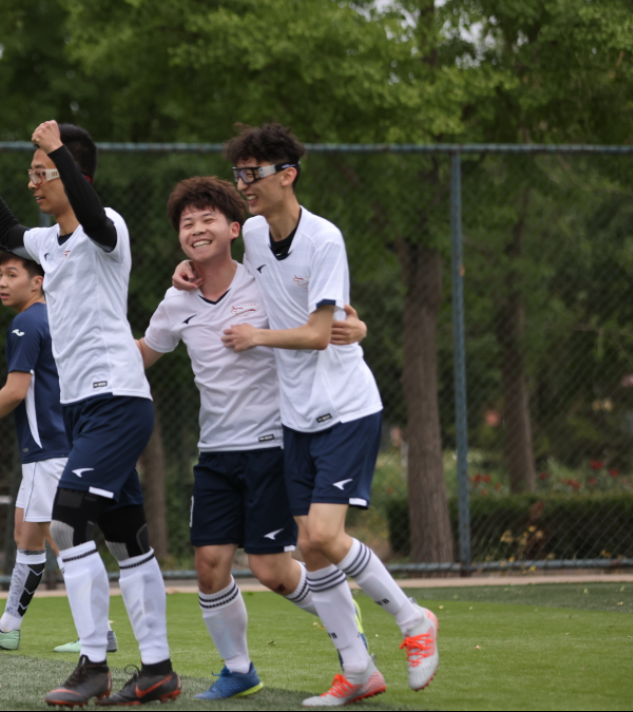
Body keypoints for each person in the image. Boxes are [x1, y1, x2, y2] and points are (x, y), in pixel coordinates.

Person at [174, 123, 439, 707]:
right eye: (239, 173)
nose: (244, 183)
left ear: (287, 175)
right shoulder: (256, 236)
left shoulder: (324, 238)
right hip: (295, 419)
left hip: (344, 408)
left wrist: (260, 337)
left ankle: (414, 619)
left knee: (322, 536)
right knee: (312, 549)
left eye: (253, 173)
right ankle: (357, 670)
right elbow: (322, 305)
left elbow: (320, 333)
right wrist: (187, 271)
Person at [0, 121, 180, 706]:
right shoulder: (47, 242)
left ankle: (94, 664)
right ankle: (158, 670)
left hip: (117, 400)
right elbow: (5, 230)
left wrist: (58, 149)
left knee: (66, 523)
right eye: (31, 173)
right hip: (85, 409)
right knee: (128, 541)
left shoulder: (109, 231)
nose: (33, 183)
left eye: (43, 173)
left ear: (73, 175)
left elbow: (95, 217)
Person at [141, 177, 368, 700]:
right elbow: (144, 353)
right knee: (209, 566)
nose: (197, 230)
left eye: (208, 219)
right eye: (187, 223)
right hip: (215, 454)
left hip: (272, 446)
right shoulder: (176, 299)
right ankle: (239, 669)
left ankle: (344, 622)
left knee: (271, 570)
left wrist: (357, 329)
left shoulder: (263, 282)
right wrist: (81, 354)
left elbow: (326, 324)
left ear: (234, 229)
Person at [0, 252, 117, 656]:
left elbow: (16, 390)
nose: (2, 282)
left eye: (12, 274)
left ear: (38, 282)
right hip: (57, 446)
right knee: (26, 535)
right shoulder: (57, 318)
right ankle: (8, 627)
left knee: (65, 541)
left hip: (48, 449)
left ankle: (99, 632)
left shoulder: (27, 322)